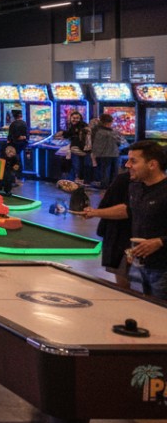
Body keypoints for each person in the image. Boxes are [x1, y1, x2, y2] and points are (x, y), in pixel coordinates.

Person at [80, 141, 167, 299]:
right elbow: (129, 211)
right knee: (139, 307)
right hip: (137, 264)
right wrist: (95, 212)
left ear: (152, 164)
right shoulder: (135, 187)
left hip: (162, 270)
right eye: (128, 160)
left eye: (133, 161)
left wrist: (160, 242)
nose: (127, 165)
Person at [88, 170, 133, 288]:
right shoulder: (124, 180)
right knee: (124, 288)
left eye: (133, 161)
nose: (128, 164)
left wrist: (95, 212)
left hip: (151, 247)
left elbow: (126, 210)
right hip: (122, 240)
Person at [90, 114, 122, 189]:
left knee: (105, 171)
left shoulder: (96, 130)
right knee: (113, 171)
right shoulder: (112, 132)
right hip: (112, 153)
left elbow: (94, 143)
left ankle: (105, 185)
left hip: (102, 154)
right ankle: (111, 186)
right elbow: (119, 142)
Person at [61, 111, 90, 183]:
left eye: (77, 118)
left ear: (80, 119)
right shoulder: (73, 126)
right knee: (76, 165)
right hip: (80, 149)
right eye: (73, 118)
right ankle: (72, 180)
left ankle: (74, 180)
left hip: (78, 149)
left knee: (76, 165)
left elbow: (70, 135)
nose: (75, 119)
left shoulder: (81, 126)